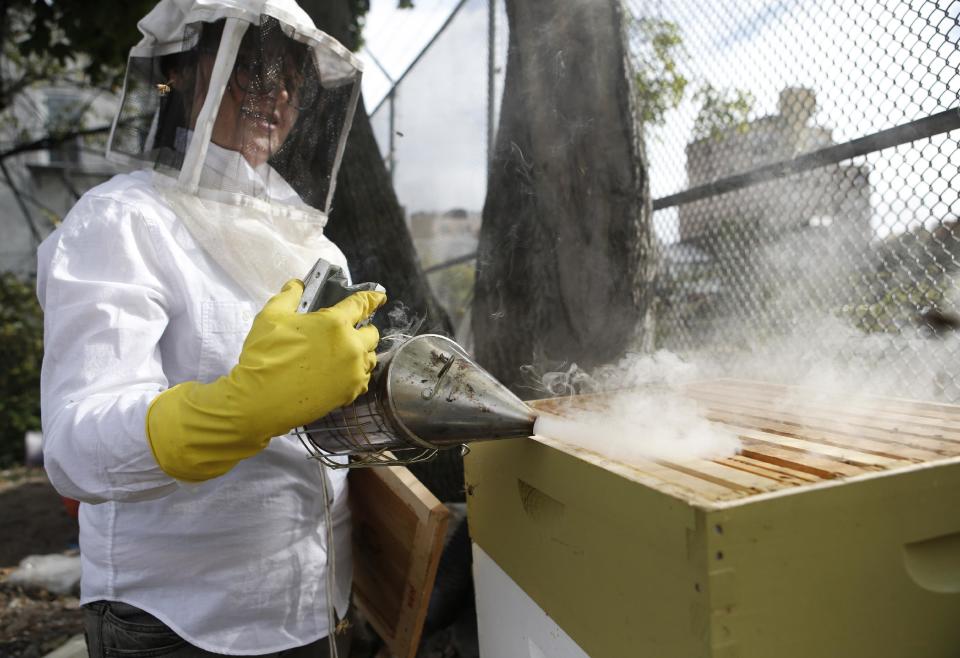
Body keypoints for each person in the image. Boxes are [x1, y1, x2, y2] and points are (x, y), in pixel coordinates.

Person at [36, 1, 382, 655]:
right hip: (176, 618)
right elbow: (75, 448)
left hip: (313, 602)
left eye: (289, 76)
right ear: (179, 74)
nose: (273, 91)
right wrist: (232, 412)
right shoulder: (123, 221)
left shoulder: (316, 248)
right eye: (249, 66)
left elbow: (324, 430)